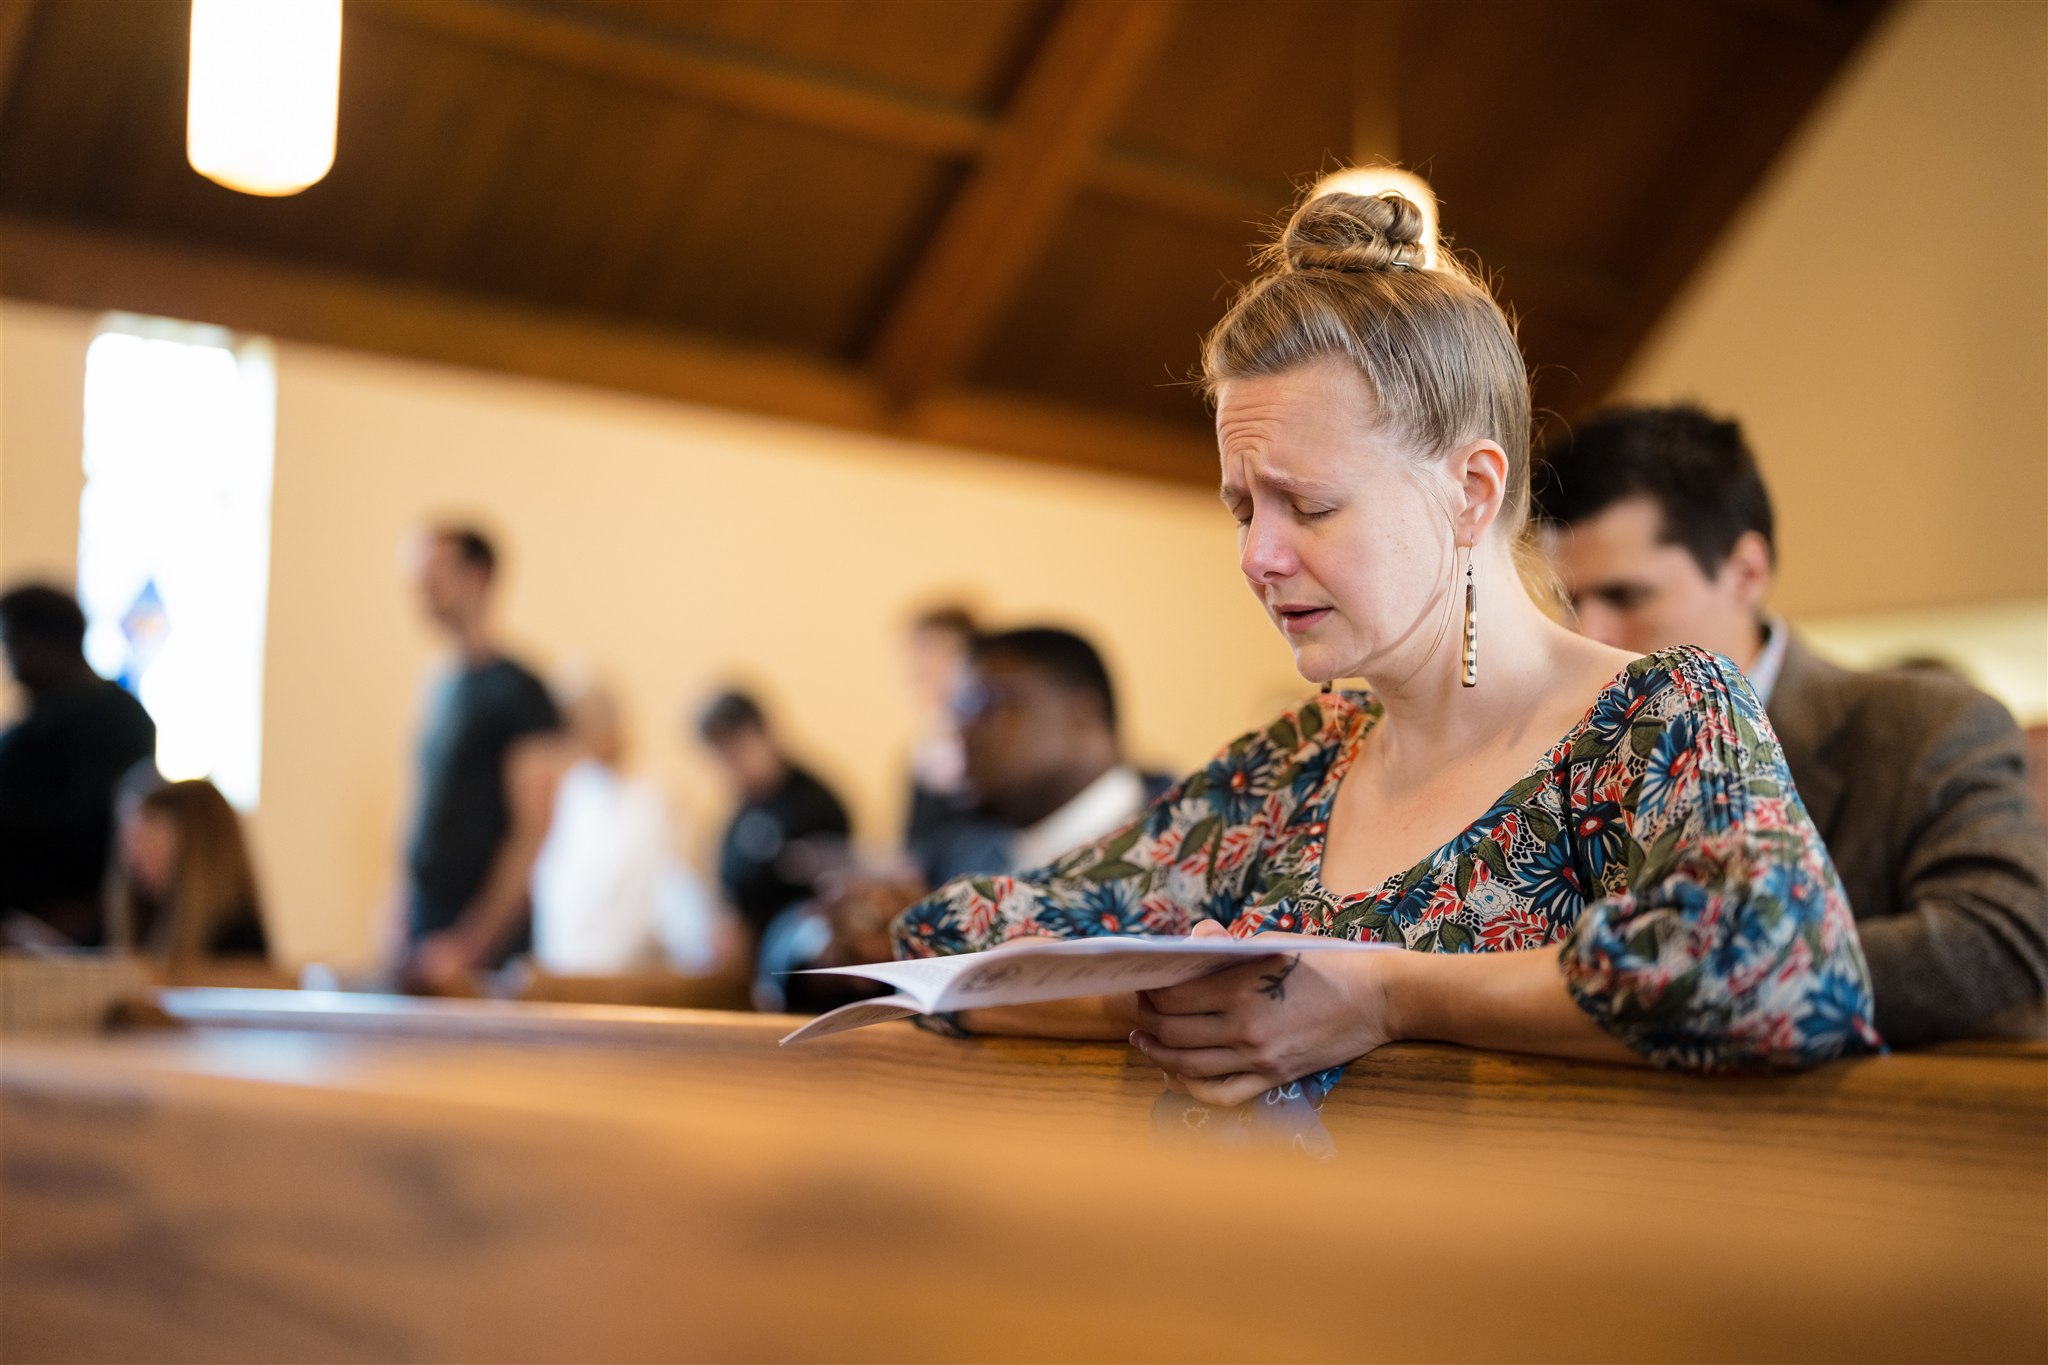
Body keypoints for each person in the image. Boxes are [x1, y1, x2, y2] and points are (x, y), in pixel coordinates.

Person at [892, 186, 1880, 1103]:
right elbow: (951, 940)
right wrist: (1164, 1003)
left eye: (1308, 504)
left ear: (1470, 492)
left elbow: (1775, 966)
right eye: (1241, 510)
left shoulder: (1654, 719)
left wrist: (1386, 995)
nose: (1257, 557)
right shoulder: (1291, 766)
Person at [1535, 404, 2048, 1045]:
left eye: (1626, 597)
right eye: (1567, 601)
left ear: (1747, 571)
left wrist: (1683, 985)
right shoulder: (1564, 762)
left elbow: (2005, 945)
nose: (1589, 634)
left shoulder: (1927, 726)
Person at [774, 627, 1170, 1008]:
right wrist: (832, 944)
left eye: (984, 706)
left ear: (1083, 712)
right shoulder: (957, 855)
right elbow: (785, 942)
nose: (959, 731)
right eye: (956, 712)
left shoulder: (1197, 838)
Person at [394, 525, 560, 991]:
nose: (420, 591)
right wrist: (398, 904)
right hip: (424, 935)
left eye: (433, 575)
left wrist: (471, 944)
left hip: (483, 949)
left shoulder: (522, 692)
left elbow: (533, 832)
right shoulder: (438, 686)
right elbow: (422, 807)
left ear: (478, 575)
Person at [506, 677, 733, 975]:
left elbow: (670, 884)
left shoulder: (654, 793)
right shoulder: (575, 791)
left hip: (627, 970)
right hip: (564, 964)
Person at [0, 584, 156, 945]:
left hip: (75, 922)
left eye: (11, 644)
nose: (10, 663)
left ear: (41, 643)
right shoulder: (37, 720)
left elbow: (102, 820)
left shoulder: (113, 717)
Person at [696, 689, 851, 941]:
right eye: (720, 759)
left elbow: (831, 899)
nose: (729, 770)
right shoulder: (740, 813)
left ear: (762, 733)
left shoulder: (816, 804)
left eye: (734, 752)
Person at [112, 774, 270, 962]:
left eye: (150, 837)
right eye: (129, 837)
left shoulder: (238, 945)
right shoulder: (144, 921)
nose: (134, 855)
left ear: (201, 849)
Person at [901, 604, 978, 848]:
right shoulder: (928, 738)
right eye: (919, 651)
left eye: (938, 650)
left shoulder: (987, 735)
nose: (924, 665)